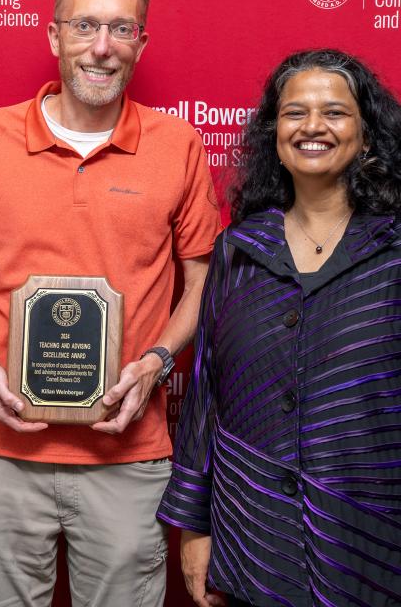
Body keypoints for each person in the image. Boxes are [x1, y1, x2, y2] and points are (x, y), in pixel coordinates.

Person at [0, 0, 221, 607]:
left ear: (141, 41)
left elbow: (204, 280)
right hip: (3, 453)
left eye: (121, 29)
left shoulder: (179, 145)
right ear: (54, 35)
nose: (102, 47)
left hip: (129, 458)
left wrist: (154, 363)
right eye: (85, 26)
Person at [157, 48, 401, 607]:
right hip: (254, 540)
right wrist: (195, 531)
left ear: (366, 136)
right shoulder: (238, 251)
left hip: (368, 546)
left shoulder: (394, 252)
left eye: (335, 112)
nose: (313, 126)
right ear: (274, 135)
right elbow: (207, 400)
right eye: (295, 113)